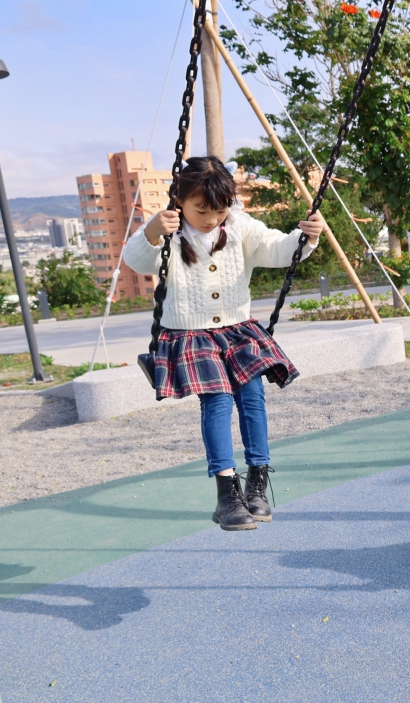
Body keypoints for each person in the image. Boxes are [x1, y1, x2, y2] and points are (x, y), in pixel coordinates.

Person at [123, 157, 324, 528]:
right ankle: (226, 492)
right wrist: (151, 232)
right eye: (201, 210)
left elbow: (276, 248)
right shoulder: (170, 232)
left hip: (237, 327)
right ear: (180, 200)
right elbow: (136, 260)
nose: (211, 218)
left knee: (252, 396)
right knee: (217, 401)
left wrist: (306, 237)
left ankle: (258, 482)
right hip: (190, 333)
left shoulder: (239, 226)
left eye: (218, 210)